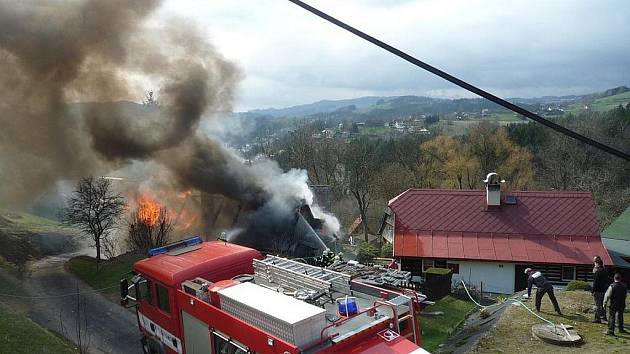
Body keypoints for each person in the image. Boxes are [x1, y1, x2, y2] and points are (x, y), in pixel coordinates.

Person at [592, 256, 609, 323]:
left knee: (597, 305)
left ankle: (597, 318)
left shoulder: (598, 271)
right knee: (603, 304)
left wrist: (593, 290)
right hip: (604, 290)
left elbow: (595, 282)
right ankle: (604, 317)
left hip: (598, 290)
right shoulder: (605, 270)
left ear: (597, 264)